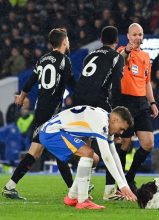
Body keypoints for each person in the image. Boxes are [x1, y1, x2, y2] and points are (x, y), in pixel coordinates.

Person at [2, 28, 75, 200]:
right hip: (52, 111)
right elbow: (73, 84)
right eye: (68, 39)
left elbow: (30, 81)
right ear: (64, 41)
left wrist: (22, 96)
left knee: (36, 151)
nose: (69, 42)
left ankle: (10, 186)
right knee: (59, 149)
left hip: (41, 108)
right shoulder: (65, 60)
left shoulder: (43, 59)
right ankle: (75, 188)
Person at [39, 105, 136, 209]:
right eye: (121, 129)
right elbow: (107, 156)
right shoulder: (101, 121)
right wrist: (122, 185)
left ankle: (71, 196)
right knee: (88, 152)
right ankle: (83, 200)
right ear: (115, 120)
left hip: (55, 131)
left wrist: (125, 185)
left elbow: (114, 155)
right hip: (51, 132)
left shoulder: (106, 120)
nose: (121, 133)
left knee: (94, 159)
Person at [105, 23, 159, 199]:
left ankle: (130, 177)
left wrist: (152, 102)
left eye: (140, 34)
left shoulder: (145, 56)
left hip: (141, 103)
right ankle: (120, 184)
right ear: (128, 36)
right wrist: (128, 49)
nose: (138, 37)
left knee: (148, 143)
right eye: (134, 34)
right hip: (125, 102)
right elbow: (121, 58)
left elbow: (146, 82)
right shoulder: (123, 51)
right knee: (124, 143)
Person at [71, 26, 124, 200]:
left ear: (101, 40)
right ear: (116, 41)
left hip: (78, 101)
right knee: (112, 142)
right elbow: (116, 87)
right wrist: (117, 113)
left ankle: (80, 190)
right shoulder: (116, 57)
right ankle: (111, 190)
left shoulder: (89, 55)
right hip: (98, 102)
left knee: (85, 149)